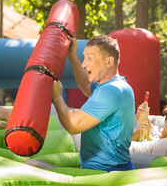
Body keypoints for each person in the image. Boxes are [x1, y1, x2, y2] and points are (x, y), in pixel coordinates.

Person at [51, 35, 135, 172]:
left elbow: (73, 125)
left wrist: (57, 97)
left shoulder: (111, 92)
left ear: (109, 62)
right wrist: (72, 56)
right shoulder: (115, 86)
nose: (84, 64)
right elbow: (86, 85)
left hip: (105, 174)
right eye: (84, 58)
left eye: (90, 58)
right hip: (114, 168)